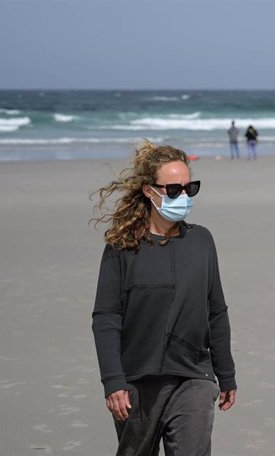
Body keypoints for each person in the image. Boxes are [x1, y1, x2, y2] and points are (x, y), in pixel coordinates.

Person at [90, 140, 237, 456]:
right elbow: (106, 317)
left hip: (194, 375)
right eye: (173, 190)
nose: (183, 196)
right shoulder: (122, 248)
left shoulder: (201, 241)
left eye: (189, 188)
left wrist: (226, 374)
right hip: (137, 380)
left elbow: (216, 311)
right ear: (149, 190)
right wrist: (113, 381)